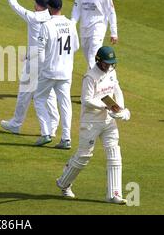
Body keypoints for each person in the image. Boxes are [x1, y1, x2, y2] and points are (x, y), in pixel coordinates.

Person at [55, 46, 131, 204]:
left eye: (111, 63)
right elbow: (87, 100)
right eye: (106, 63)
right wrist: (106, 106)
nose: (108, 66)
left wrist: (120, 108)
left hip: (108, 121)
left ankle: (114, 194)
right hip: (90, 122)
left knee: (114, 154)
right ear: (98, 61)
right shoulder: (90, 76)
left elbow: (117, 90)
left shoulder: (111, 72)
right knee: (84, 156)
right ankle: (63, 183)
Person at [0, 0, 60, 141]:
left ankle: (16, 124)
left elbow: (14, 5)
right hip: (49, 60)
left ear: (36, 6)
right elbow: (41, 0)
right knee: (49, 95)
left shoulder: (33, 17)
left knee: (25, 93)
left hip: (34, 60)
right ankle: (53, 126)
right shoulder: (52, 16)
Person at [33, 0, 80, 148]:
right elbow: (76, 46)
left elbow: (39, 50)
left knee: (39, 99)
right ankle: (66, 138)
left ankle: (46, 132)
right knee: (65, 104)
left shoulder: (47, 25)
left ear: (49, 8)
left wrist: (42, 67)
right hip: (66, 71)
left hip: (49, 70)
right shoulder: (70, 24)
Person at [71, 0, 117, 68]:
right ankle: (99, 77)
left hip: (98, 27)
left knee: (93, 56)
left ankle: (93, 81)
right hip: (84, 28)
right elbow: (76, 10)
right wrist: (72, 24)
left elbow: (111, 12)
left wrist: (114, 32)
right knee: (88, 58)